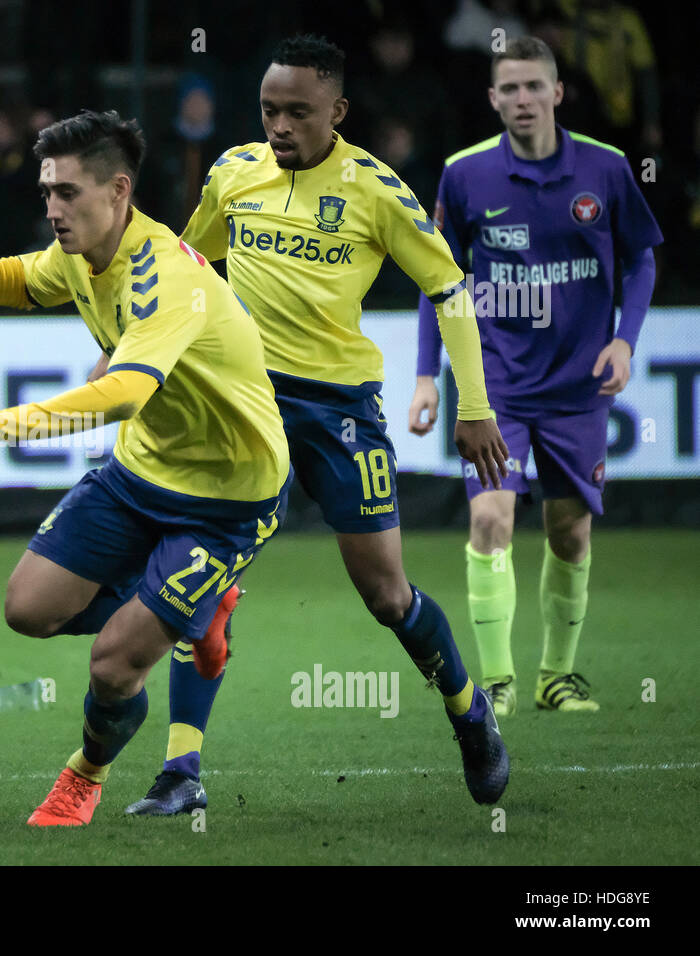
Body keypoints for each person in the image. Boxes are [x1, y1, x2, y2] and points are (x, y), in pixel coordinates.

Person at [132, 33, 514, 815]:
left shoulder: (376, 190)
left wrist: (473, 404)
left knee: (386, 595)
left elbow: (449, 288)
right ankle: (181, 772)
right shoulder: (234, 173)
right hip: (243, 404)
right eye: (269, 109)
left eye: (298, 112)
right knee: (200, 583)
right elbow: (184, 266)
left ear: (337, 111)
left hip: (338, 409)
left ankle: (470, 713)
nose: (279, 125)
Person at [0, 109, 292, 826]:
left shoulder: (167, 277)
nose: (52, 208)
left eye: (67, 193)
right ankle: (192, 612)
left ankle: (85, 775)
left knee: (114, 665)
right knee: (28, 609)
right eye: (46, 191)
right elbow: (28, 280)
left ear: (118, 190)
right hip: (141, 474)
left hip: (228, 499)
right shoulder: (82, 253)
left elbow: (124, 392)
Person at [408, 37, 662, 716]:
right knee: (490, 518)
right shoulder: (464, 176)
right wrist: (427, 377)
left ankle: (557, 675)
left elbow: (641, 260)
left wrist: (625, 341)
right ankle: (497, 682)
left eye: (533, 87)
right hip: (494, 385)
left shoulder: (606, 170)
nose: (522, 100)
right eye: (509, 89)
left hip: (579, 386)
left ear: (557, 93)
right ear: (493, 99)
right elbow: (442, 281)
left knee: (569, 531)